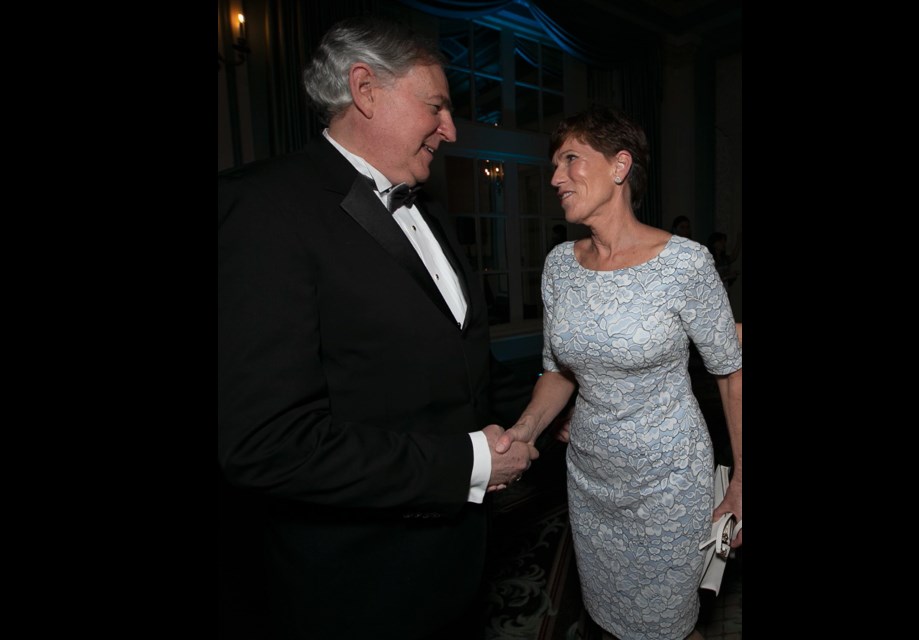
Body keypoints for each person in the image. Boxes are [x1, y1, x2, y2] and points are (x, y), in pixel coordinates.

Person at [218, 16, 538, 640]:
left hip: (457, 564)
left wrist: (535, 417)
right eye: (437, 105)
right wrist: (469, 462)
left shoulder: (434, 214)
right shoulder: (261, 208)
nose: (449, 129)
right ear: (365, 90)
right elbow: (267, 443)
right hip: (353, 587)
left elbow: (457, 366)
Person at [495, 105, 742, 640]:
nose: (556, 177)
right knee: (609, 619)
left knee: (668, 625)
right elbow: (557, 371)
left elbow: (730, 372)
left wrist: (743, 480)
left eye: (571, 159)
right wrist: (525, 430)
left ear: (619, 165)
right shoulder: (560, 265)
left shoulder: (686, 263)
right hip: (590, 482)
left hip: (669, 484)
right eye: (554, 164)